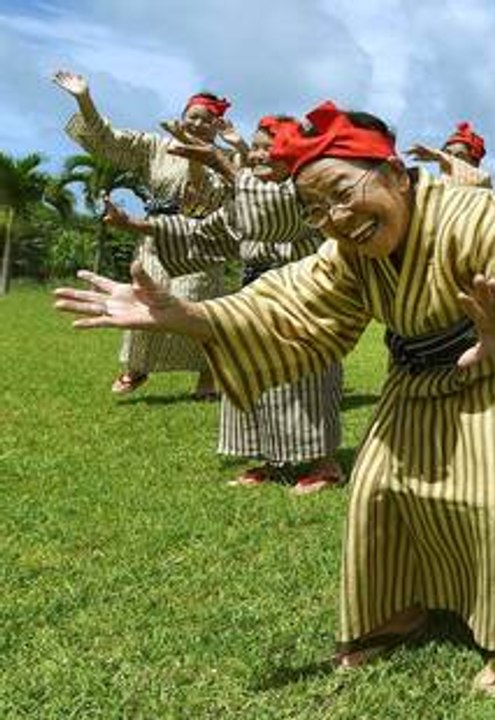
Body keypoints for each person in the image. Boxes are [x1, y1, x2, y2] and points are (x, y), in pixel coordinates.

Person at [54, 101, 495, 694]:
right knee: (378, 490)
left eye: (342, 191)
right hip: (414, 378)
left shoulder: (475, 215)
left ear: (391, 171)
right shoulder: (348, 250)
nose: (338, 219)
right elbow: (291, 303)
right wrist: (191, 316)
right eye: (316, 209)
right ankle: (400, 608)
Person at [100, 115, 344, 494]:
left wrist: (221, 162)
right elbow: (208, 232)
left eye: (269, 146)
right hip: (253, 297)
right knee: (251, 373)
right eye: (257, 145)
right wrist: (134, 224)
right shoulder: (247, 197)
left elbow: (273, 214)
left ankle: (325, 464)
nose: (260, 153)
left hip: (303, 301)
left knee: (304, 380)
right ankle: (269, 460)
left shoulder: (305, 193)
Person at [52, 69, 231, 398]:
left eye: (207, 120)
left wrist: (195, 155)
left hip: (199, 238)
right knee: (146, 297)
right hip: (152, 237)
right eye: (193, 117)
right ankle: (137, 366)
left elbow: (201, 196)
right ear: (182, 116)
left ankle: (208, 376)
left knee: (197, 303)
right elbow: (109, 141)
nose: (198, 124)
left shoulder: (224, 160)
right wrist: (84, 98)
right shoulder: (155, 147)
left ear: (217, 127)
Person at [405, 121, 493, 188]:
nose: (449, 159)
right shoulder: (434, 192)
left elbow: (482, 177)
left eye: (459, 156)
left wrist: (440, 156)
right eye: (448, 154)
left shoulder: (484, 184)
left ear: (475, 163)